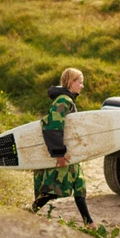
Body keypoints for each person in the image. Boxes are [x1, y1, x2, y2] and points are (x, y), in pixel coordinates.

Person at [31, 67, 95, 227]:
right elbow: (52, 126)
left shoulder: (68, 100)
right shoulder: (63, 101)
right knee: (53, 190)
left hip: (69, 151)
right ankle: (27, 213)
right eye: (80, 83)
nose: (82, 86)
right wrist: (58, 153)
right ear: (71, 82)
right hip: (61, 151)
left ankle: (89, 222)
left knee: (79, 185)